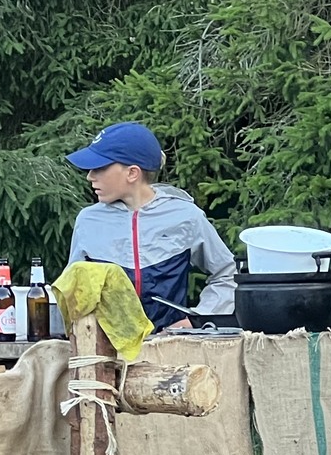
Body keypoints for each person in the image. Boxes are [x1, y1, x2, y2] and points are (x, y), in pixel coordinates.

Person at [65, 121, 236, 332]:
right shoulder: (88, 221)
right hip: (106, 347)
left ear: (132, 173)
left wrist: (197, 319)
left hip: (171, 345)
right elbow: (73, 291)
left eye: (99, 168)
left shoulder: (185, 216)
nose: (90, 176)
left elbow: (227, 274)